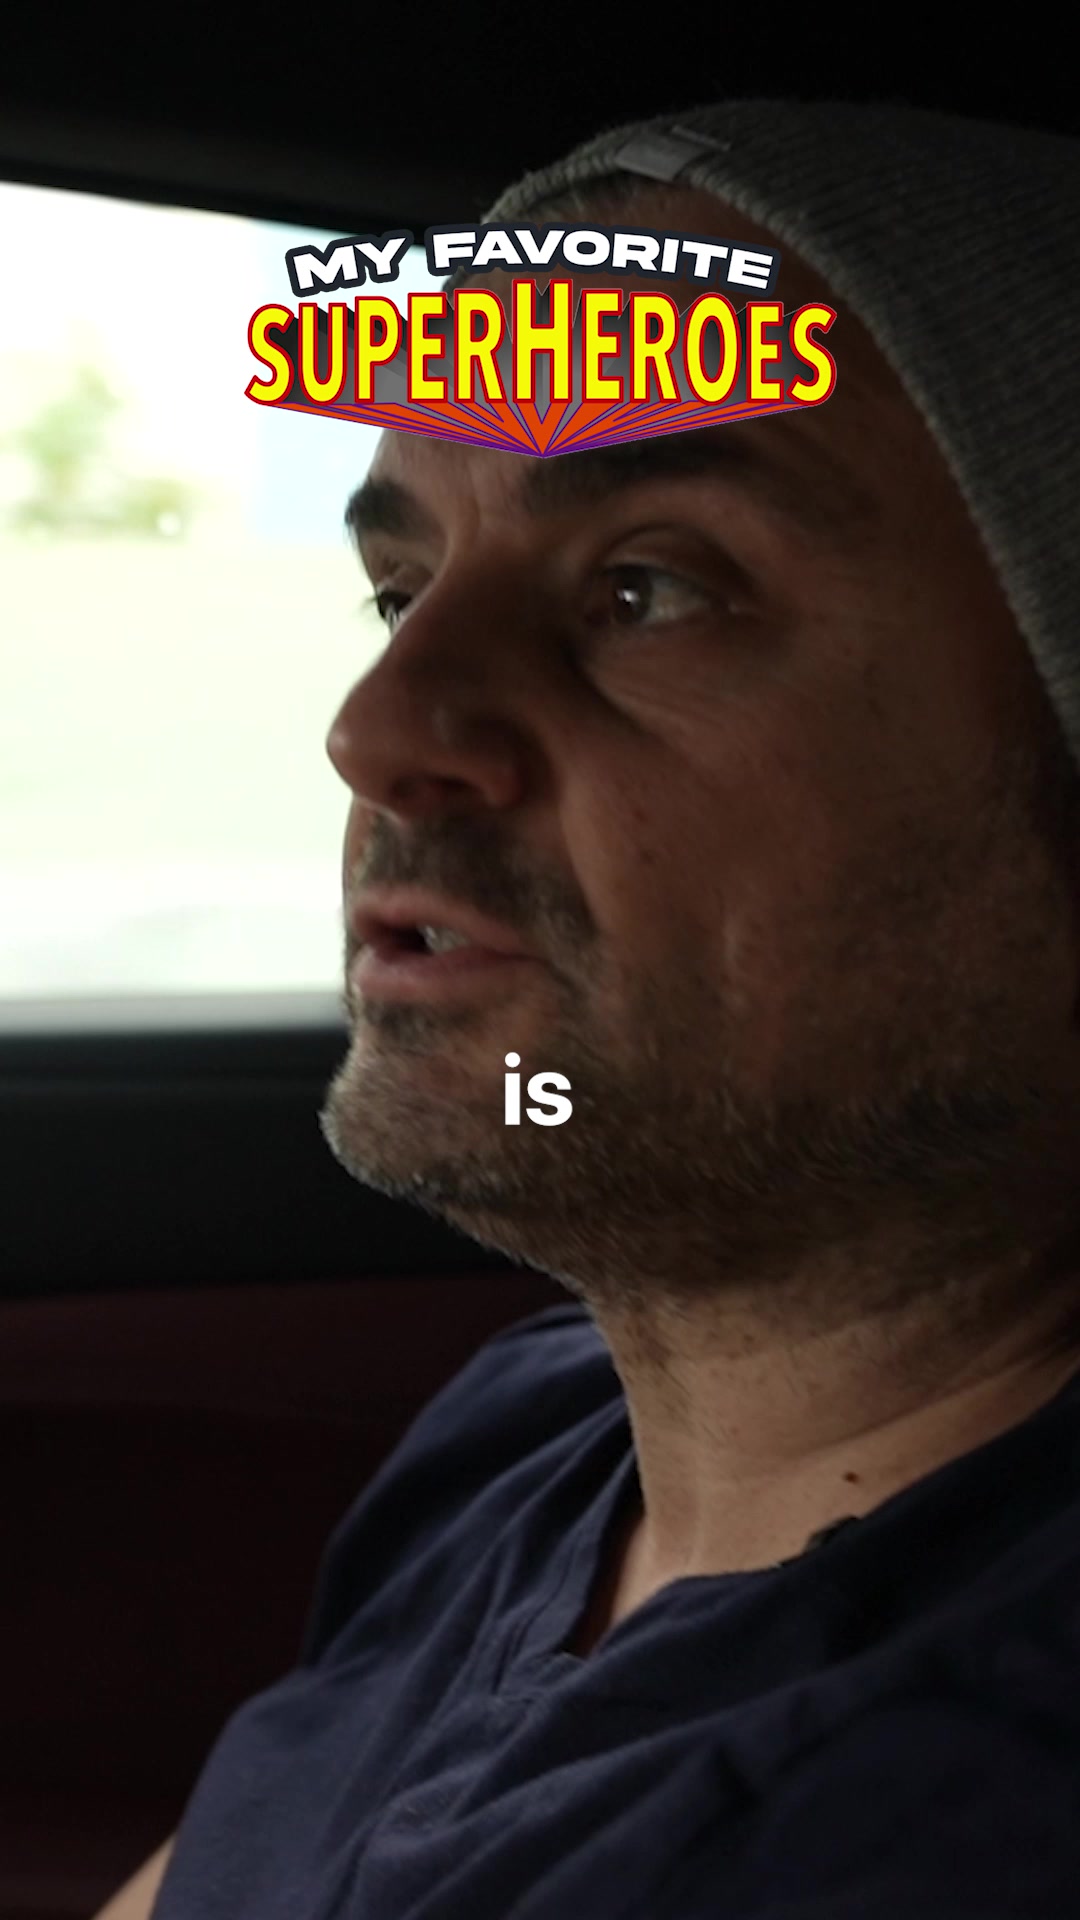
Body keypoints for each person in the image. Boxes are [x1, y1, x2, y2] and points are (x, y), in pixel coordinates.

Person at [99, 97, 1080, 1918]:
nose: (377, 730)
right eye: (399, 591)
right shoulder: (542, 1429)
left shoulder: (960, 1814)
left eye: (650, 589)